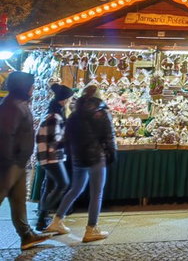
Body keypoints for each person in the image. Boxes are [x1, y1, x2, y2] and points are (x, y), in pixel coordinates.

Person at [46, 85, 117, 242]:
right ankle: (91, 228)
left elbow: (66, 136)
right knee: (96, 193)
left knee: (75, 188)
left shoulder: (75, 113)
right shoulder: (102, 113)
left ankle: (57, 221)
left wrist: (62, 148)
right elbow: (109, 135)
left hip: (78, 156)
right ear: (99, 96)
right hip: (96, 156)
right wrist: (112, 153)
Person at [0, 71, 50, 250]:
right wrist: (8, 162)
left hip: (18, 162)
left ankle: (26, 235)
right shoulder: (13, 106)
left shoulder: (19, 104)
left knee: (19, 200)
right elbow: (6, 135)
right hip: (9, 163)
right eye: (31, 85)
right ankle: (26, 234)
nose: (33, 88)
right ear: (24, 86)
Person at [35, 83, 74, 231]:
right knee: (63, 184)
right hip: (52, 157)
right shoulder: (55, 117)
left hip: (49, 156)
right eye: (69, 99)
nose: (70, 102)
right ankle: (44, 214)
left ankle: (42, 218)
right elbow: (54, 140)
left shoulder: (52, 115)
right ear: (63, 100)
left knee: (49, 185)